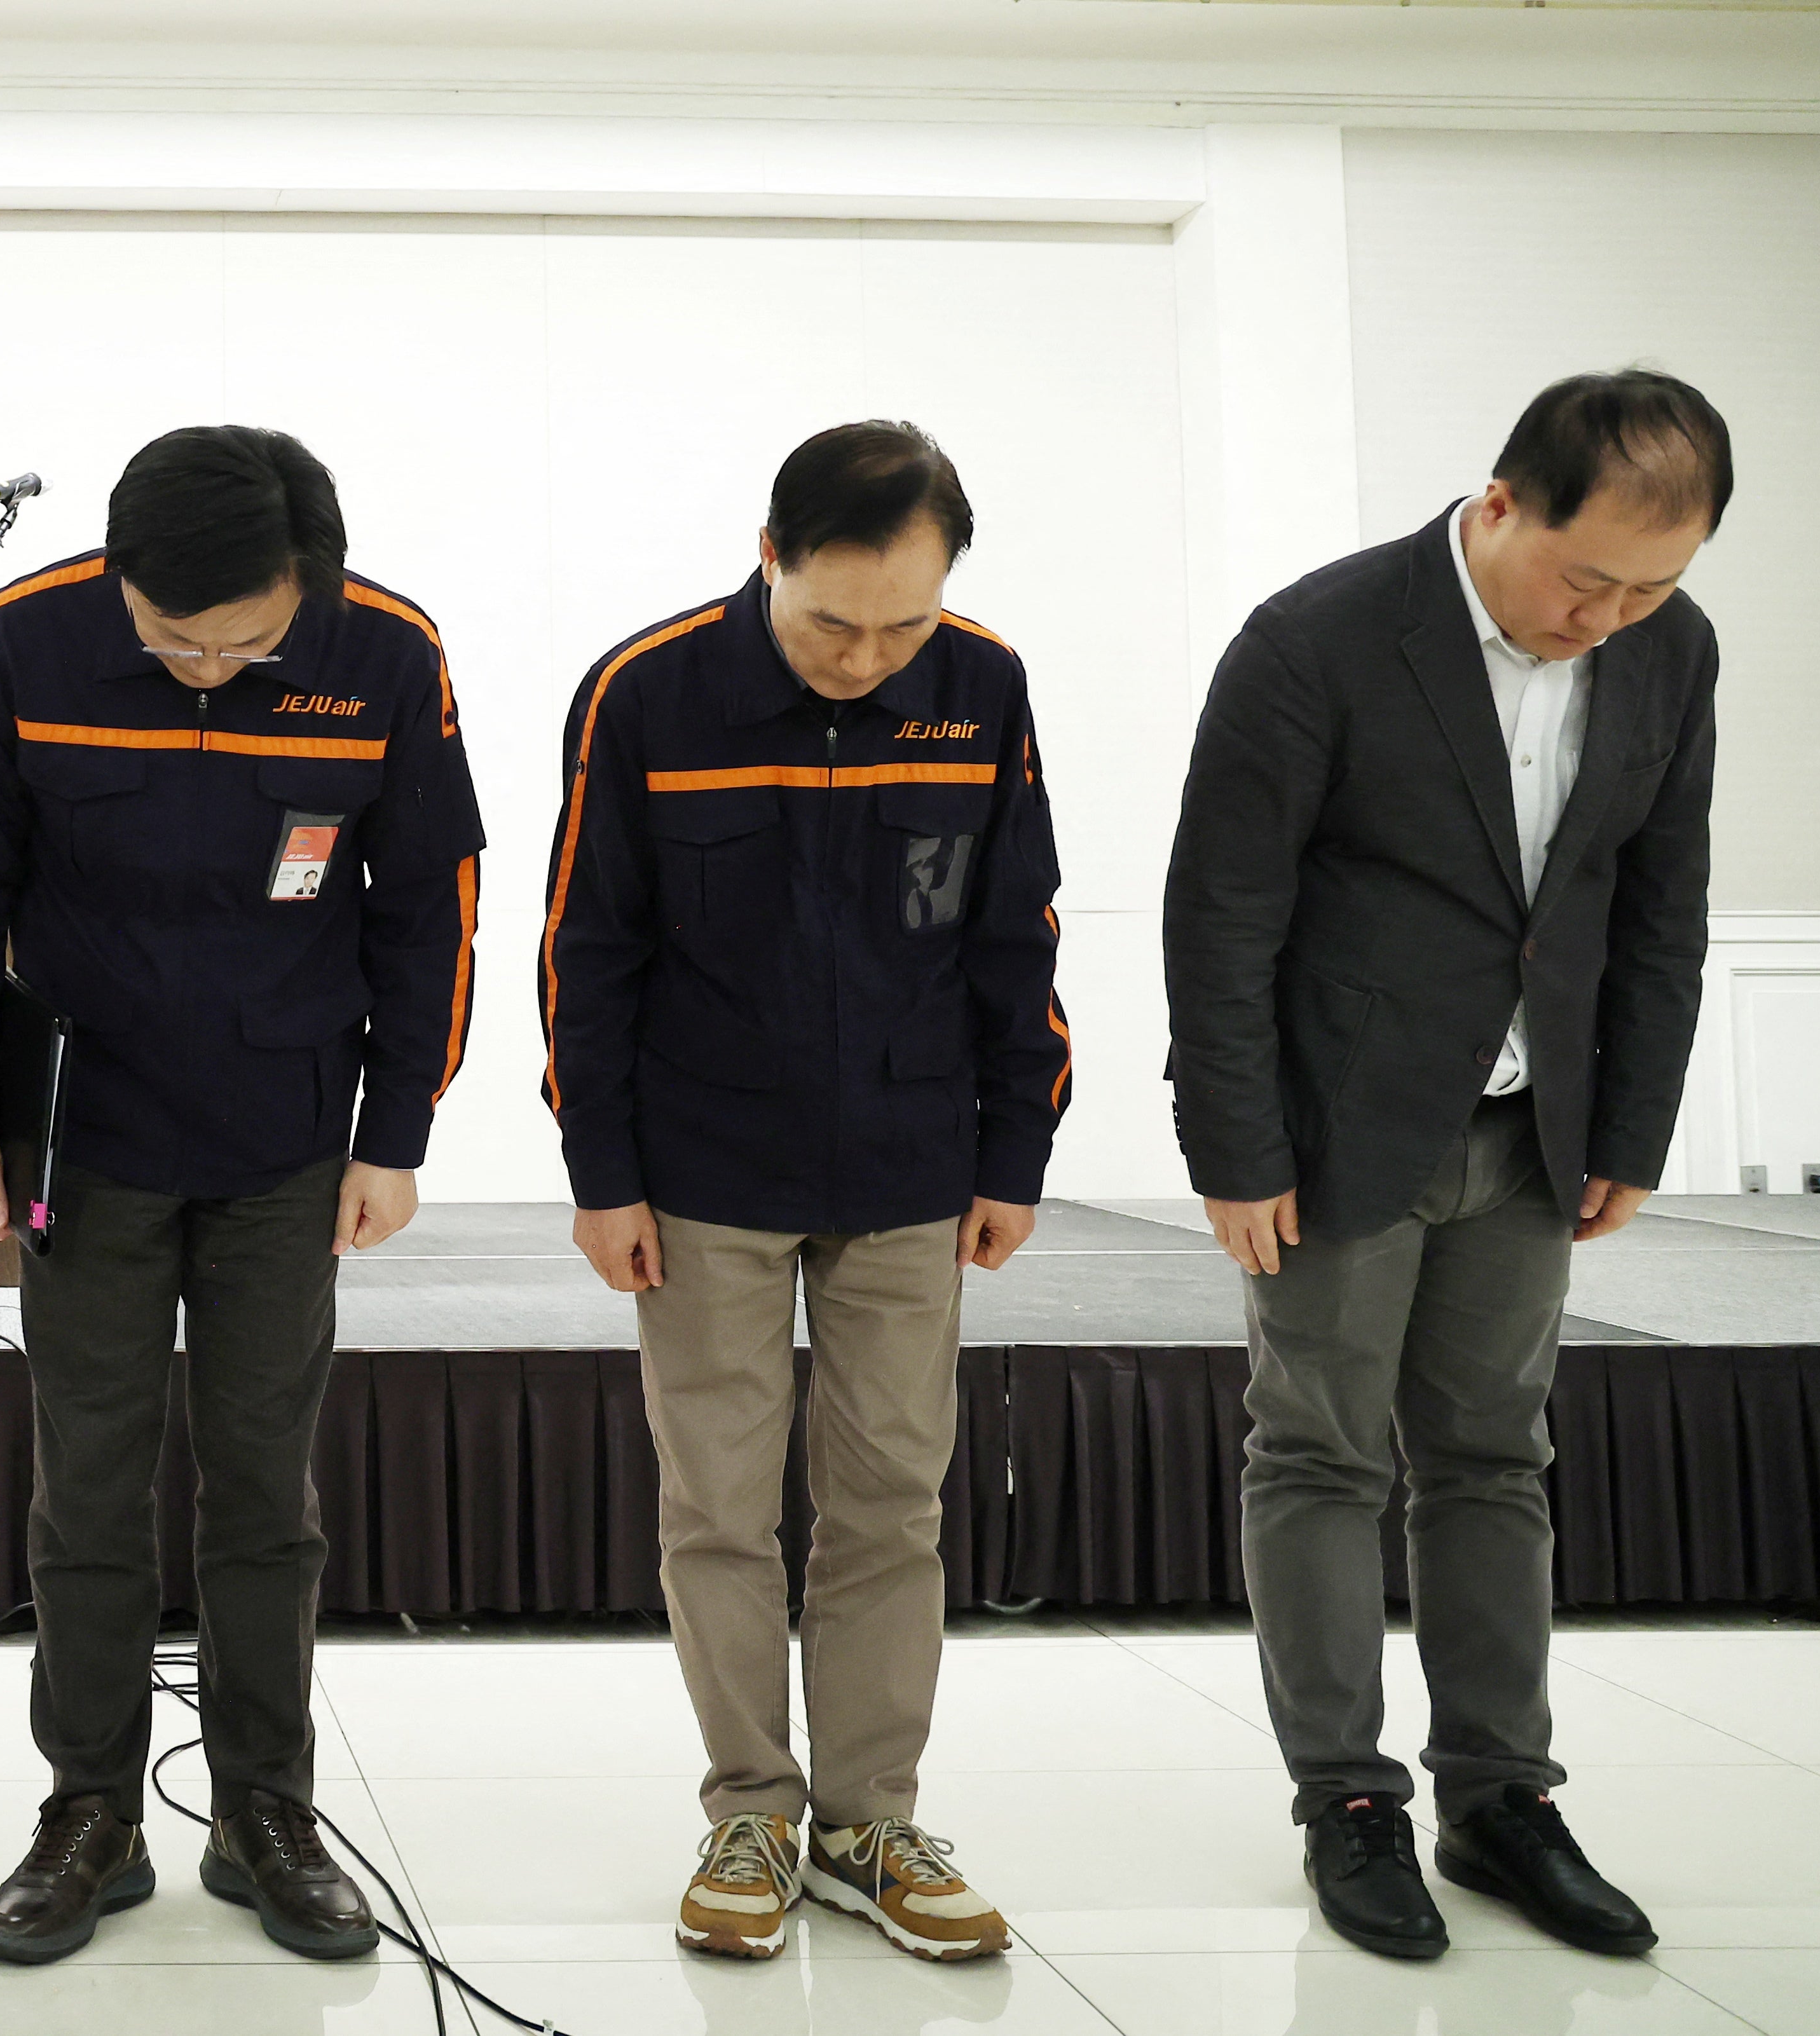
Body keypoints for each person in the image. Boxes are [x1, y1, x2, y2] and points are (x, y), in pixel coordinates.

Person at [1167, 369, 1728, 1962]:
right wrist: (1235, 1143)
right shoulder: (1320, 638)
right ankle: (1348, 1802)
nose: (1607, 616)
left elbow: (1660, 899)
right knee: (1325, 1458)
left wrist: (1630, 1124)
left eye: (1651, 588)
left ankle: (1498, 1798)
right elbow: (1222, 910)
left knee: (1499, 1462)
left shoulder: (1669, 654)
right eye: (1585, 576)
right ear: (1499, 506)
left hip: (1533, 1130)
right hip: (1341, 1127)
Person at [0, 425, 482, 1965]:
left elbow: (427, 904)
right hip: (81, 1134)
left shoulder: (388, 656)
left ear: (311, 586)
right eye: (170, 640)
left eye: (242, 645)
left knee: (264, 1491)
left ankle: (263, 1808)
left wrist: (397, 1128)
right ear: (122, 581)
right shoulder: (24, 641)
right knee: (85, 1484)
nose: (207, 668)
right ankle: (89, 1809)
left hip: (286, 1136)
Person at [540, 420, 1062, 1964]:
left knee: (892, 1502)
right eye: (836, 620)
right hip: (701, 1174)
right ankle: (752, 1811)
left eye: (904, 623)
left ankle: (870, 1820)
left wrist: (1014, 1151)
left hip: (910, 1165)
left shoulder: (980, 689)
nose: (869, 657)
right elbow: (591, 949)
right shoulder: (650, 693)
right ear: (768, 556)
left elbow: (1010, 934)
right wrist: (602, 1173)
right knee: (716, 1503)